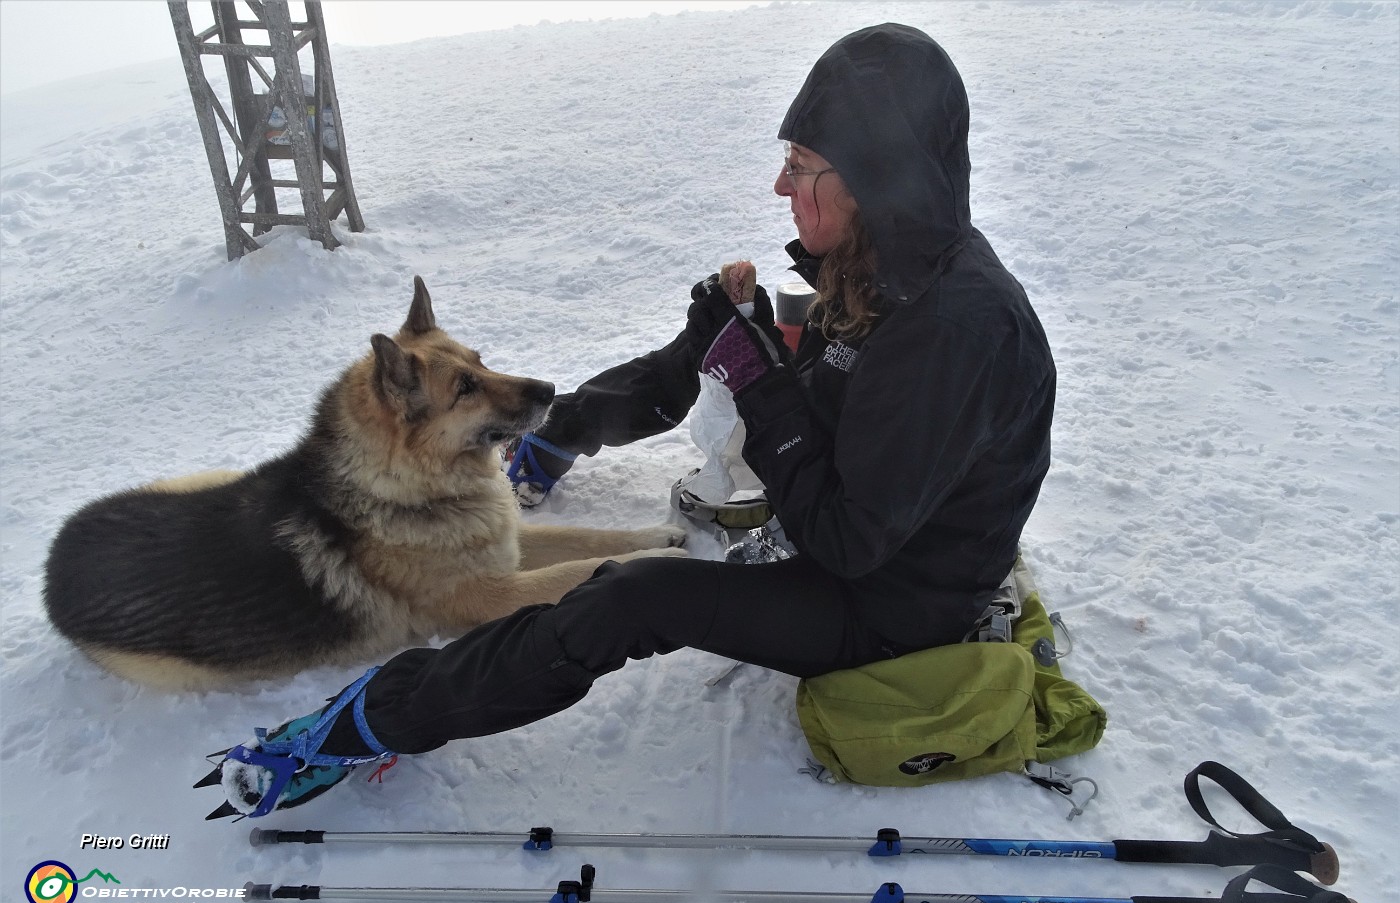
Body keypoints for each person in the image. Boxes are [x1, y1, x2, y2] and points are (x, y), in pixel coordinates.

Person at [207, 22, 1057, 819]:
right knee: (719, 339)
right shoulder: (888, 267)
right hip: (870, 538)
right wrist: (744, 337)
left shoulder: (952, 331)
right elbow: (848, 409)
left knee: (634, 595)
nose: (780, 186)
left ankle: (377, 720)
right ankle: (552, 438)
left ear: (873, 173)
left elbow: (845, 540)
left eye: (801, 165)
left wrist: (764, 380)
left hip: (889, 608)